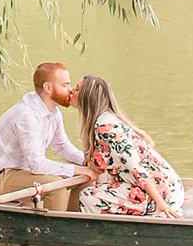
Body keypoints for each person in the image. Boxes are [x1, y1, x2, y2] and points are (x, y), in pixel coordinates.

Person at [74, 74, 186, 218]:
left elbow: (135, 166)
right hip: (168, 187)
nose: (71, 91)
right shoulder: (108, 120)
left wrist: (160, 201)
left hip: (160, 193)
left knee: (88, 196)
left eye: (76, 89)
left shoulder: (106, 128)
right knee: (102, 189)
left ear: (87, 98)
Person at [0, 61, 89, 212]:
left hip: (26, 173)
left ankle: (74, 226)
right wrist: (77, 170)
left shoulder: (54, 113)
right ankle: (54, 232)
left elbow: (61, 147)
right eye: (65, 85)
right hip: (2, 177)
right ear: (48, 87)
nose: (70, 90)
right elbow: (37, 165)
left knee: (86, 180)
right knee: (55, 186)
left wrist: (88, 163)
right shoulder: (26, 116)